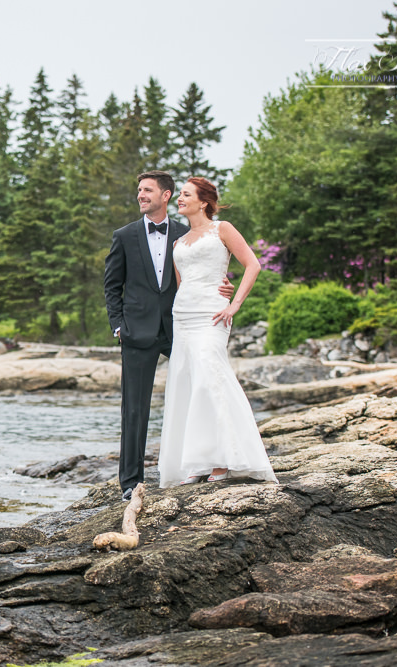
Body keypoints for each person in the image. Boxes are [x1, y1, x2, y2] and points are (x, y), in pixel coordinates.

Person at [104, 171, 234, 501]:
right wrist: (118, 325)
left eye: (147, 190)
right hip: (137, 331)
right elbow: (112, 285)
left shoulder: (185, 232)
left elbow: (202, 268)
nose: (140, 195)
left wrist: (224, 284)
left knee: (196, 390)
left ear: (165, 196)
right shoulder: (124, 235)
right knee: (134, 409)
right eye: (138, 190)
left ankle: (203, 459)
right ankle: (130, 482)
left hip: (180, 327)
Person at [157, 177, 278, 487]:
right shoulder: (178, 243)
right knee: (187, 383)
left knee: (212, 379)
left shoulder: (222, 229)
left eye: (185, 195)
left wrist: (234, 303)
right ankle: (197, 462)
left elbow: (252, 265)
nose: (179, 199)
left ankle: (224, 459)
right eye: (180, 195)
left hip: (213, 314)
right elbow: (183, 284)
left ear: (203, 202)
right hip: (183, 315)